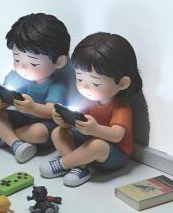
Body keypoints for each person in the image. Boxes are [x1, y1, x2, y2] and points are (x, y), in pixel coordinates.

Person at [39, 32, 142, 187]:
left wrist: (95, 129)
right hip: (88, 141)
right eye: (80, 79)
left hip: (113, 153)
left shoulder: (121, 107)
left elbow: (117, 136)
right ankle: (80, 168)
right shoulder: (88, 101)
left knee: (97, 145)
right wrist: (63, 120)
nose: (85, 87)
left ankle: (64, 164)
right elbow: (76, 122)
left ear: (122, 83)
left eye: (96, 83)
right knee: (57, 132)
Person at [0, 13, 70, 163]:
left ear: (59, 62)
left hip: (44, 124)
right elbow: (4, 106)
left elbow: (52, 112)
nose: (22, 67)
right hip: (22, 119)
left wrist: (32, 108)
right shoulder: (15, 76)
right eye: (17, 59)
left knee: (38, 133)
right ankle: (17, 144)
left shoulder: (57, 85)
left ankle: (4, 137)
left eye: (34, 63)